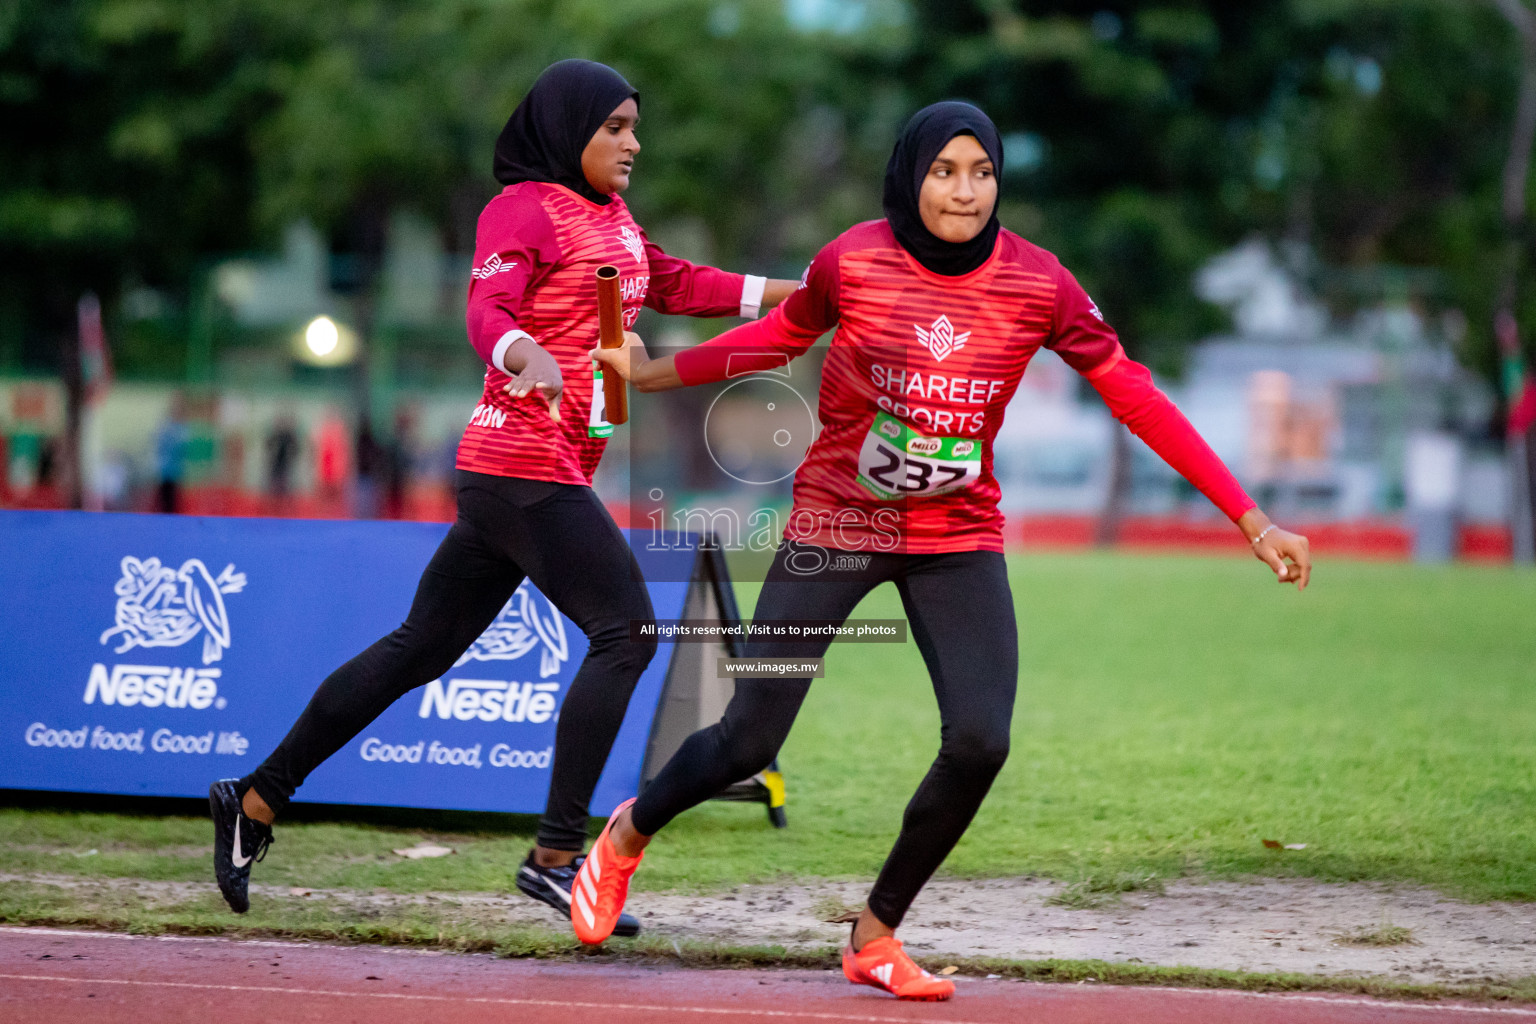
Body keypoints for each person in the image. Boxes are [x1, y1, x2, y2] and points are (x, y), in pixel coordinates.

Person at [585, 101, 1312, 1000]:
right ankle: (625, 835)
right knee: (747, 739)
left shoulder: (1039, 283)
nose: (965, 191)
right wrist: (656, 372)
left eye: (981, 172)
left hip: (955, 535)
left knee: (979, 740)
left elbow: (1136, 395)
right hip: (839, 523)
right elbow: (780, 335)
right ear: (911, 174)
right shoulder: (851, 260)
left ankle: (876, 933)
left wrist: (1252, 518)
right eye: (944, 171)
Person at [209, 59, 798, 933]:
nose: (634, 143)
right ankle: (558, 858)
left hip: (531, 475)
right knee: (627, 631)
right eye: (617, 128)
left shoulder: (614, 219)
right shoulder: (520, 208)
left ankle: (254, 798)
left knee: (419, 649)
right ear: (569, 131)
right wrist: (524, 353)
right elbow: (488, 307)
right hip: (519, 465)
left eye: (636, 126)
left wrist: (802, 294)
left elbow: (674, 283)